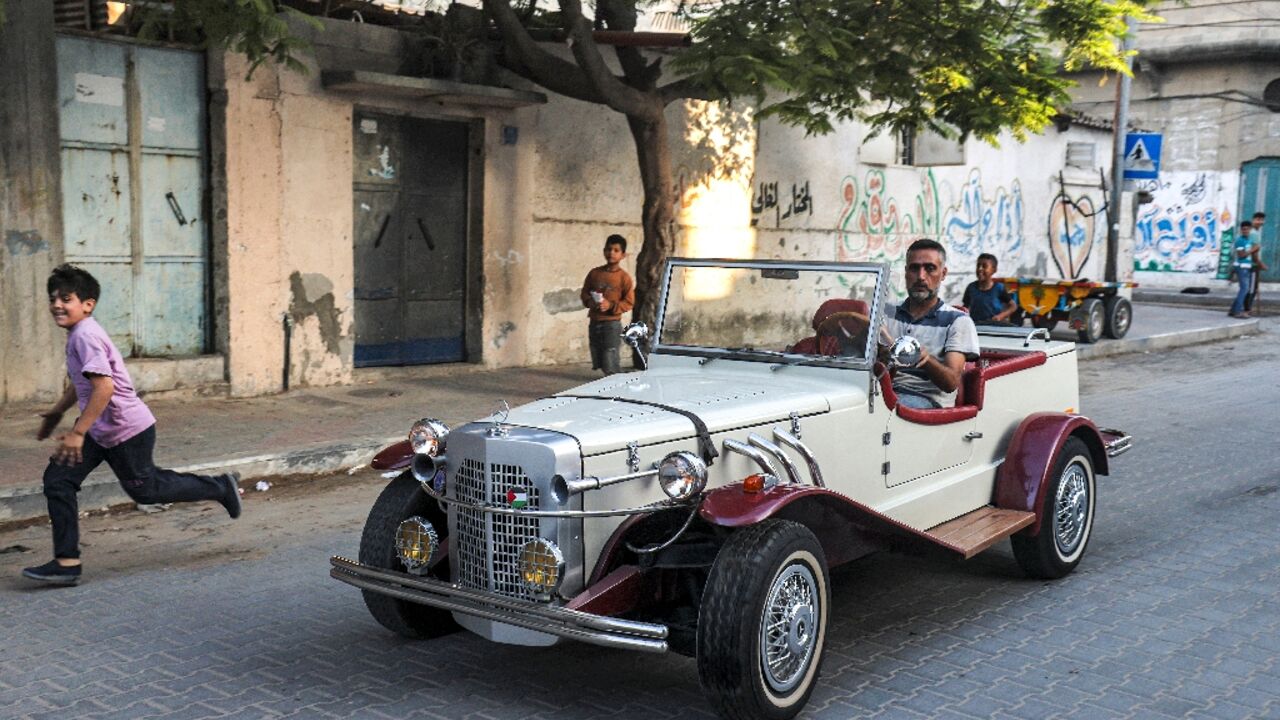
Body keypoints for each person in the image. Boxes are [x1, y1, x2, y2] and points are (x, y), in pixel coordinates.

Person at [23, 264, 242, 586]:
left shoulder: (85, 335)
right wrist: (58, 413)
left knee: (148, 491)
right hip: (101, 429)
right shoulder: (79, 334)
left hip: (125, 430)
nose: (57, 304)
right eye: (53, 298)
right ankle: (67, 562)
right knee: (59, 480)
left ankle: (221, 487)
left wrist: (78, 432)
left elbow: (104, 388)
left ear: (87, 304)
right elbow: (83, 381)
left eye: (65, 298)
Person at [880, 238, 980, 409]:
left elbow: (951, 383)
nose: (921, 277)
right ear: (905, 272)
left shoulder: (958, 321)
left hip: (925, 401)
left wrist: (925, 359)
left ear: (943, 274)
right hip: (881, 392)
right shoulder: (887, 312)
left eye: (930, 268)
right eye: (914, 268)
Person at [579, 234, 635, 375]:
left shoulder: (624, 278)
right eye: (609, 249)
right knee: (598, 355)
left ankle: (614, 383)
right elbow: (585, 293)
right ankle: (608, 378)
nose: (611, 253)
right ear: (604, 251)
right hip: (595, 321)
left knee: (610, 355)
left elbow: (629, 302)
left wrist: (610, 306)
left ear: (623, 255)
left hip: (612, 324)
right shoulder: (594, 273)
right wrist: (591, 302)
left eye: (616, 250)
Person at [961, 253, 1017, 324]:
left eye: (984, 266)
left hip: (994, 328)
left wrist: (1000, 316)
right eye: (978, 266)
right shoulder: (971, 287)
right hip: (976, 327)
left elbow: (1013, 306)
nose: (980, 269)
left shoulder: (999, 288)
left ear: (994, 270)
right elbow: (965, 307)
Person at [1229, 221, 1260, 318]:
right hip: (1241, 267)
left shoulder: (1249, 240)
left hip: (1247, 267)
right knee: (1244, 289)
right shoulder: (1239, 240)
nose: (1245, 231)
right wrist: (1253, 249)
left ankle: (1233, 310)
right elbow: (1241, 255)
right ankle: (1237, 311)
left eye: (1247, 229)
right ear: (1241, 230)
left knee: (1244, 289)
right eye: (1243, 229)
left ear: (1250, 229)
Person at [1244, 212, 1268, 314]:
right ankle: (1247, 309)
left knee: (1251, 287)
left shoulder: (1253, 232)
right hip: (1252, 265)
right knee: (1252, 288)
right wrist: (1259, 263)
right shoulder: (1254, 233)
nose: (1260, 222)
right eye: (1258, 219)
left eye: (1262, 220)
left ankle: (1246, 308)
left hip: (1250, 264)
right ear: (1253, 220)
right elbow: (1253, 252)